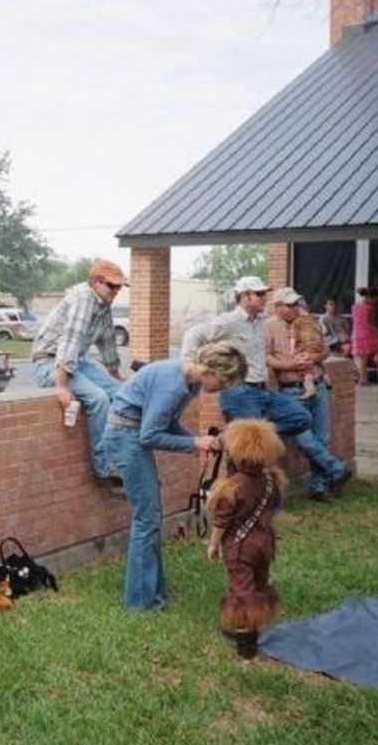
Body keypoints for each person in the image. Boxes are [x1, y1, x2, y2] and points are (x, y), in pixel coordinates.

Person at [102, 341, 247, 611]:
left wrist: (196, 441)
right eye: (225, 382)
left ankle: (152, 594)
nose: (223, 390)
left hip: (131, 434)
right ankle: (140, 603)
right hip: (125, 437)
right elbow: (149, 435)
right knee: (147, 518)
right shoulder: (173, 385)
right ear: (212, 371)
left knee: (150, 517)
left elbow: (165, 424)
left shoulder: (189, 383)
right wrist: (195, 444)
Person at [181, 276, 310, 436]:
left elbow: (295, 315)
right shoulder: (229, 321)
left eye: (264, 294)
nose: (265, 298)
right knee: (251, 453)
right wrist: (189, 365)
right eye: (260, 294)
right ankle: (243, 436)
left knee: (301, 418)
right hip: (239, 391)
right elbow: (193, 334)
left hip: (263, 389)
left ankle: (237, 435)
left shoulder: (262, 320)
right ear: (245, 296)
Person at [32, 259, 126, 479]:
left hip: (77, 361)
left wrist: (114, 375)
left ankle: (119, 456)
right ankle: (105, 468)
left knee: (121, 395)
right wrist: (62, 386)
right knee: (99, 399)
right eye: (112, 286)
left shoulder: (103, 304)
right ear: (95, 282)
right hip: (49, 362)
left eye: (119, 287)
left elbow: (108, 340)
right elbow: (71, 341)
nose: (116, 291)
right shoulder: (83, 299)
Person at [206, 419, 286, 661]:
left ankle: (246, 644)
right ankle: (254, 626)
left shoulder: (231, 487)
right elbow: (273, 507)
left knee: (243, 592)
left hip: (240, 547)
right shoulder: (272, 480)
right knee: (260, 584)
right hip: (265, 542)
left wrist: (212, 544)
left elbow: (221, 521)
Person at [265, 287, 350, 503]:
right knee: (305, 440)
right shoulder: (268, 327)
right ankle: (336, 469)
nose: (295, 308)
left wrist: (313, 358)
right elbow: (266, 357)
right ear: (277, 307)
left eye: (296, 304)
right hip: (290, 389)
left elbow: (325, 350)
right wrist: (289, 364)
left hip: (318, 383)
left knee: (322, 437)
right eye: (290, 304)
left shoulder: (309, 320)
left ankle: (318, 487)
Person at [351, 286, 378, 385]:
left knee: (361, 358)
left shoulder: (355, 306)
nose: (376, 302)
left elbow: (358, 321)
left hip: (357, 333)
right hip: (365, 334)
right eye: (375, 299)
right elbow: (368, 323)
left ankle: (362, 378)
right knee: (364, 358)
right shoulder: (369, 308)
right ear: (370, 297)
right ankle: (363, 379)